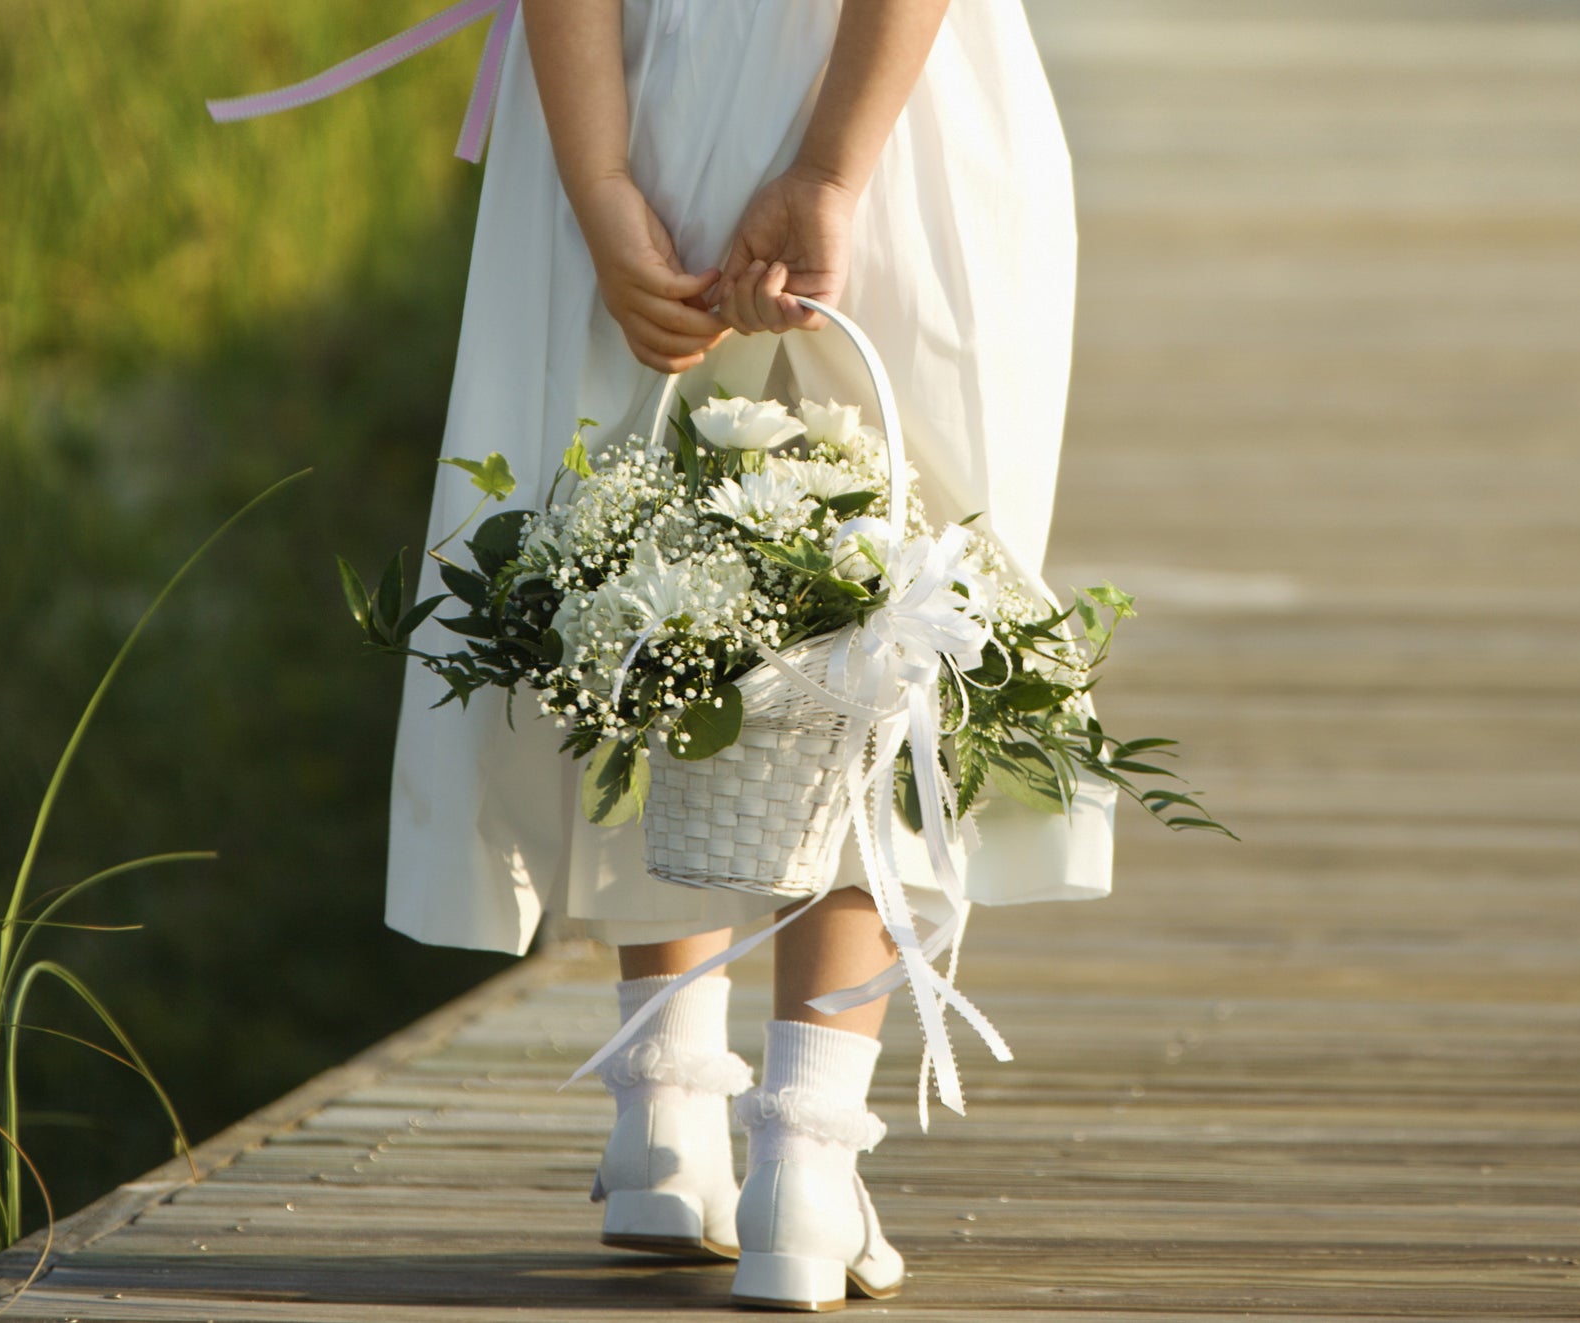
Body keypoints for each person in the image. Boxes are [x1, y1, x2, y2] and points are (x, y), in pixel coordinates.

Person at [358, 0, 1109, 1311]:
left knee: (650, 550)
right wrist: (826, 170)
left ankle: (664, 1104)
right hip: (891, 121)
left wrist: (599, 184)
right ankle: (805, 1159)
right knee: (890, 594)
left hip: (637, 95)